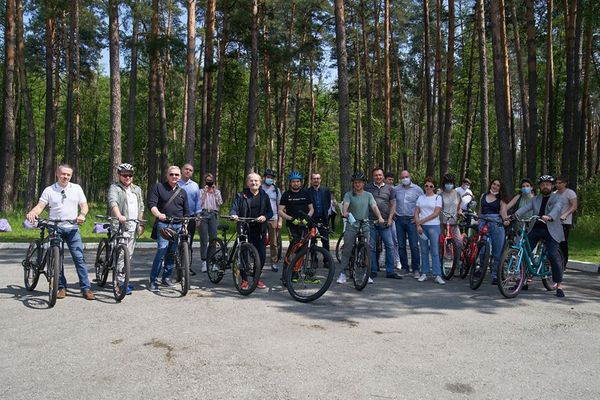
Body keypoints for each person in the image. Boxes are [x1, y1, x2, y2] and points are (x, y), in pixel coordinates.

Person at [26, 164, 96, 300]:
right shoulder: (49, 190)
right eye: (63, 174)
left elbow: (84, 205)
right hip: (54, 227)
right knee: (57, 258)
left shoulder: (77, 188)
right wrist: (33, 212)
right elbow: (40, 206)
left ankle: (86, 288)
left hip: (72, 228)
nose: (66, 177)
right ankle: (61, 287)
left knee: (79, 258)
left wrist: (82, 215)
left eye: (68, 175)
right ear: (57, 174)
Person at [514, 175, 567, 297]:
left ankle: (559, 285)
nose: (545, 186)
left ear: (552, 186)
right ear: (539, 187)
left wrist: (550, 216)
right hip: (536, 228)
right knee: (524, 252)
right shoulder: (535, 199)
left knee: (553, 255)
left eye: (548, 184)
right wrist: (513, 216)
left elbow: (557, 208)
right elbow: (525, 208)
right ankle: (523, 279)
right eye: (543, 184)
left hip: (551, 230)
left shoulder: (558, 198)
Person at [337, 172, 385, 284]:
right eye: (355, 182)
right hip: (352, 224)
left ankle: (366, 273)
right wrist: (345, 212)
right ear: (353, 184)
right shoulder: (349, 195)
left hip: (365, 224)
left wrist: (380, 217)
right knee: (348, 248)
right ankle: (343, 273)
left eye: (360, 182)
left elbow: (374, 206)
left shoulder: (368, 195)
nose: (358, 184)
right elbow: (346, 206)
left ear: (363, 183)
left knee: (366, 249)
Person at [148, 166, 190, 292]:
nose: (174, 177)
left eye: (177, 175)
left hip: (178, 225)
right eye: (172, 174)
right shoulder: (159, 187)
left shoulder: (182, 192)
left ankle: (166, 278)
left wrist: (185, 225)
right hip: (164, 224)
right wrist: (158, 214)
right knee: (162, 250)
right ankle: (153, 280)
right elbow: (152, 204)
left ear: (180, 176)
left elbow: (186, 212)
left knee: (172, 252)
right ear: (167, 175)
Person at [107, 163, 145, 295]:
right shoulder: (115, 188)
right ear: (119, 175)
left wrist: (140, 223)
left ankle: (123, 278)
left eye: (130, 175)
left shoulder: (137, 189)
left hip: (133, 226)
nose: (127, 177)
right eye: (124, 175)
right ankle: (119, 282)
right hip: (121, 225)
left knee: (128, 254)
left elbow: (141, 207)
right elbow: (113, 202)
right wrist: (119, 215)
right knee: (122, 255)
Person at [230, 172, 272, 289]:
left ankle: (256, 277)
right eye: (251, 181)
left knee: (261, 256)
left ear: (260, 182)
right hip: (244, 227)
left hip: (259, 229)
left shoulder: (265, 196)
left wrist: (265, 217)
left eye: (256, 181)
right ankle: (244, 279)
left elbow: (270, 212)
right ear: (247, 183)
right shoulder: (241, 195)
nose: (254, 183)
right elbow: (234, 209)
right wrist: (234, 215)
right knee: (243, 254)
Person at [365, 168, 402, 280]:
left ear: (383, 176)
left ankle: (390, 271)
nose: (378, 177)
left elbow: (393, 204)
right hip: (371, 221)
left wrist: (390, 219)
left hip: (385, 222)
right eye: (376, 175)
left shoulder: (390, 189)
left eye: (380, 175)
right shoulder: (367, 187)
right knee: (372, 247)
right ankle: (373, 270)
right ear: (373, 176)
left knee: (390, 245)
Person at [477, 178, 510, 285]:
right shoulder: (483, 196)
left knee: (497, 250)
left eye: (498, 185)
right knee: (482, 248)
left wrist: (505, 220)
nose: (495, 186)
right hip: (483, 222)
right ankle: (481, 269)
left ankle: (495, 274)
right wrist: (477, 220)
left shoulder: (501, 199)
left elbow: (503, 212)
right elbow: (480, 211)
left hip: (496, 223)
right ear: (491, 185)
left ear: (500, 188)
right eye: (494, 184)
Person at [414, 177, 445, 284]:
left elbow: (436, 213)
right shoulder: (420, 198)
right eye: (426, 185)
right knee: (423, 250)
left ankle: (437, 274)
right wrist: (418, 225)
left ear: (434, 187)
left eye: (431, 186)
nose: (428, 188)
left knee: (435, 251)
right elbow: (416, 212)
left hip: (433, 226)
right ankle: (424, 273)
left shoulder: (438, 198)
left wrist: (421, 221)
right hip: (422, 227)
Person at [394, 170, 424, 278]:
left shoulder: (418, 190)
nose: (404, 179)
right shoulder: (396, 189)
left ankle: (416, 269)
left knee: (414, 245)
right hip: (399, 220)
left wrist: (418, 218)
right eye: (402, 177)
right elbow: (392, 202)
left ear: (410, 177)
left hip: (412, 220)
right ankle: (405, 268)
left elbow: (422, 204)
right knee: (401, 245)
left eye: (406, 176)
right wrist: (392, 214)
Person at [279, 171, 314, 248]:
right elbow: (280, 211)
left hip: (304, 222)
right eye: (293, 181)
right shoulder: (286, 194)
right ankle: (288, 259)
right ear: (290, 183)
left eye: (298, 181)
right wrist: (290, 218)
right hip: (292, 223)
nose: (296, 183)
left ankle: (301, 259)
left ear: (300, 182)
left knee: (304, 243)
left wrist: (307, 218)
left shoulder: (306, 193)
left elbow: (311, 209)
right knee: (294, 243)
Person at [178, 163, 202, 275]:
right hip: (177, 217)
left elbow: (198, 202)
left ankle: (187, 267)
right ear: (182, 170)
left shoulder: (195, 185)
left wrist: (198, 217)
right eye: (186, 169)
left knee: (188, 243)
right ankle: (176, 266)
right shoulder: (175, 183)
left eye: (190, 170)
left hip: (191, 217)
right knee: (176, 243)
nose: (188, 171)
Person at [198, 173, 223, 273]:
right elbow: (199, 203)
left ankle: (212, 262)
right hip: (203, 213)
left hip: (213, 214)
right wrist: (205, 192)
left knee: (213, 239)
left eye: (210, 180)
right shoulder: (200, 191)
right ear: (205, 181)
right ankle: (204, 262)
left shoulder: (217, 192)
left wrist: (215, 191)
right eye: (207, 180)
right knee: (204, 239)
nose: (209, 182)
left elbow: (220, 203)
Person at [261, 168, 283, 272]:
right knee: (260, 241)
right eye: (268, 177)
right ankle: (259, 260)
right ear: (264, 177)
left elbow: (280, 206)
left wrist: (280, 220)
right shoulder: (259, 188)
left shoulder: (277, 190)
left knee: (274, 242)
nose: (270, 179)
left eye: (271, 178)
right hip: (261, 218)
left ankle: (274, 262)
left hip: (273, 218)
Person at [555, 176, 577, 269]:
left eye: (560, 183)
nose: (557, 184)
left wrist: (565, 214)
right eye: (556, 183)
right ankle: (555, 262)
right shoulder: (554, 193)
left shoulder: (570, 193)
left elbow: (574, 206)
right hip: (554, 222)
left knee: (563, 243)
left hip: (565, 222)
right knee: (554, 242)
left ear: (565, 183)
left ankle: (563, 263)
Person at [307, 173, 332, 251]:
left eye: (318, 178)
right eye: (314, 178)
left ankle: (327, 261)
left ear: (320, 180)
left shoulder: (326, 190)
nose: (316, 180)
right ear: (311, 180)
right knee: (312, 241)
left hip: (323, 219)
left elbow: (328, 204)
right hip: (312, 219)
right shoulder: (307, 192)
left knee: (325, 240)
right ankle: (314, 261)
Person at [440, 173, 463, 255]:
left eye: (450, 183)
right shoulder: (440, 195)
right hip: (442, 222)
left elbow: (459, 206)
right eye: (447, 183)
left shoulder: (457, 194)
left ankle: (457, 262)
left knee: (459, 242)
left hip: (454, 221)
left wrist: (460, 212)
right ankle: (440, 260)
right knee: (440, 242)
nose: (449, 185)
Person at [384, 172, 402, 270]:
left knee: (394, 240)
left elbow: (394, 204)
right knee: (382, 242)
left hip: (392, 218)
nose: (390, 181)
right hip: (381, 218)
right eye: (389, 180)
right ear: (384, 180)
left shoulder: (394, 190)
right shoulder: (381, 189)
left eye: (392, 180)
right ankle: (382, 260)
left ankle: (397, 260)